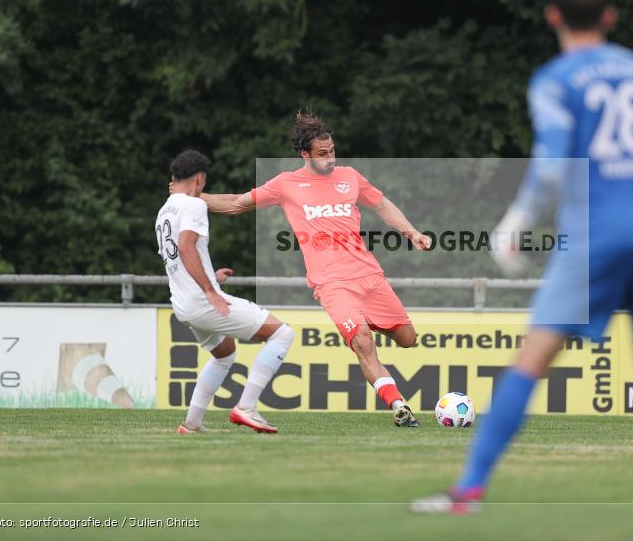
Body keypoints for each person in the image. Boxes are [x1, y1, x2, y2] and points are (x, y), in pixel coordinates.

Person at [410, 0, 633, 516]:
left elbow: (551, 167)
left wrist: (515, 225)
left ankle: (470, 490)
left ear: (552, 16)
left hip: (595, 233)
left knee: (532, 359)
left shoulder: (554, 80)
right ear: (609, 17)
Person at [201, 111, 432, 427]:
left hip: (369, 275)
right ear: (304, 154)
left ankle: (363, 324)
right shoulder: (286, 184)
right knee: (363, 343)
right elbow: (236, 204)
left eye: (333, 151)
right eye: (323, 154)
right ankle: (398, 406)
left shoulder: (349, 177)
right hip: (332, 283)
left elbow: (381, 204)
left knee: (407, 339)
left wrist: (412, 233)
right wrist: (192, 199)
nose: (330, 159)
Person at [156, 149, 294, 434]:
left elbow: (176, 257)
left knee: (224, 354)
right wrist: (210, 289)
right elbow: (185, 247)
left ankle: (192, 423)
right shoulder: (193, 206)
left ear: (174, 178)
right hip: (201, 300)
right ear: (200, 178)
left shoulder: (164, 210)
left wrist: (211, 277)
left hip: (183, 305)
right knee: (282, 333)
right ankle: (247, 407)